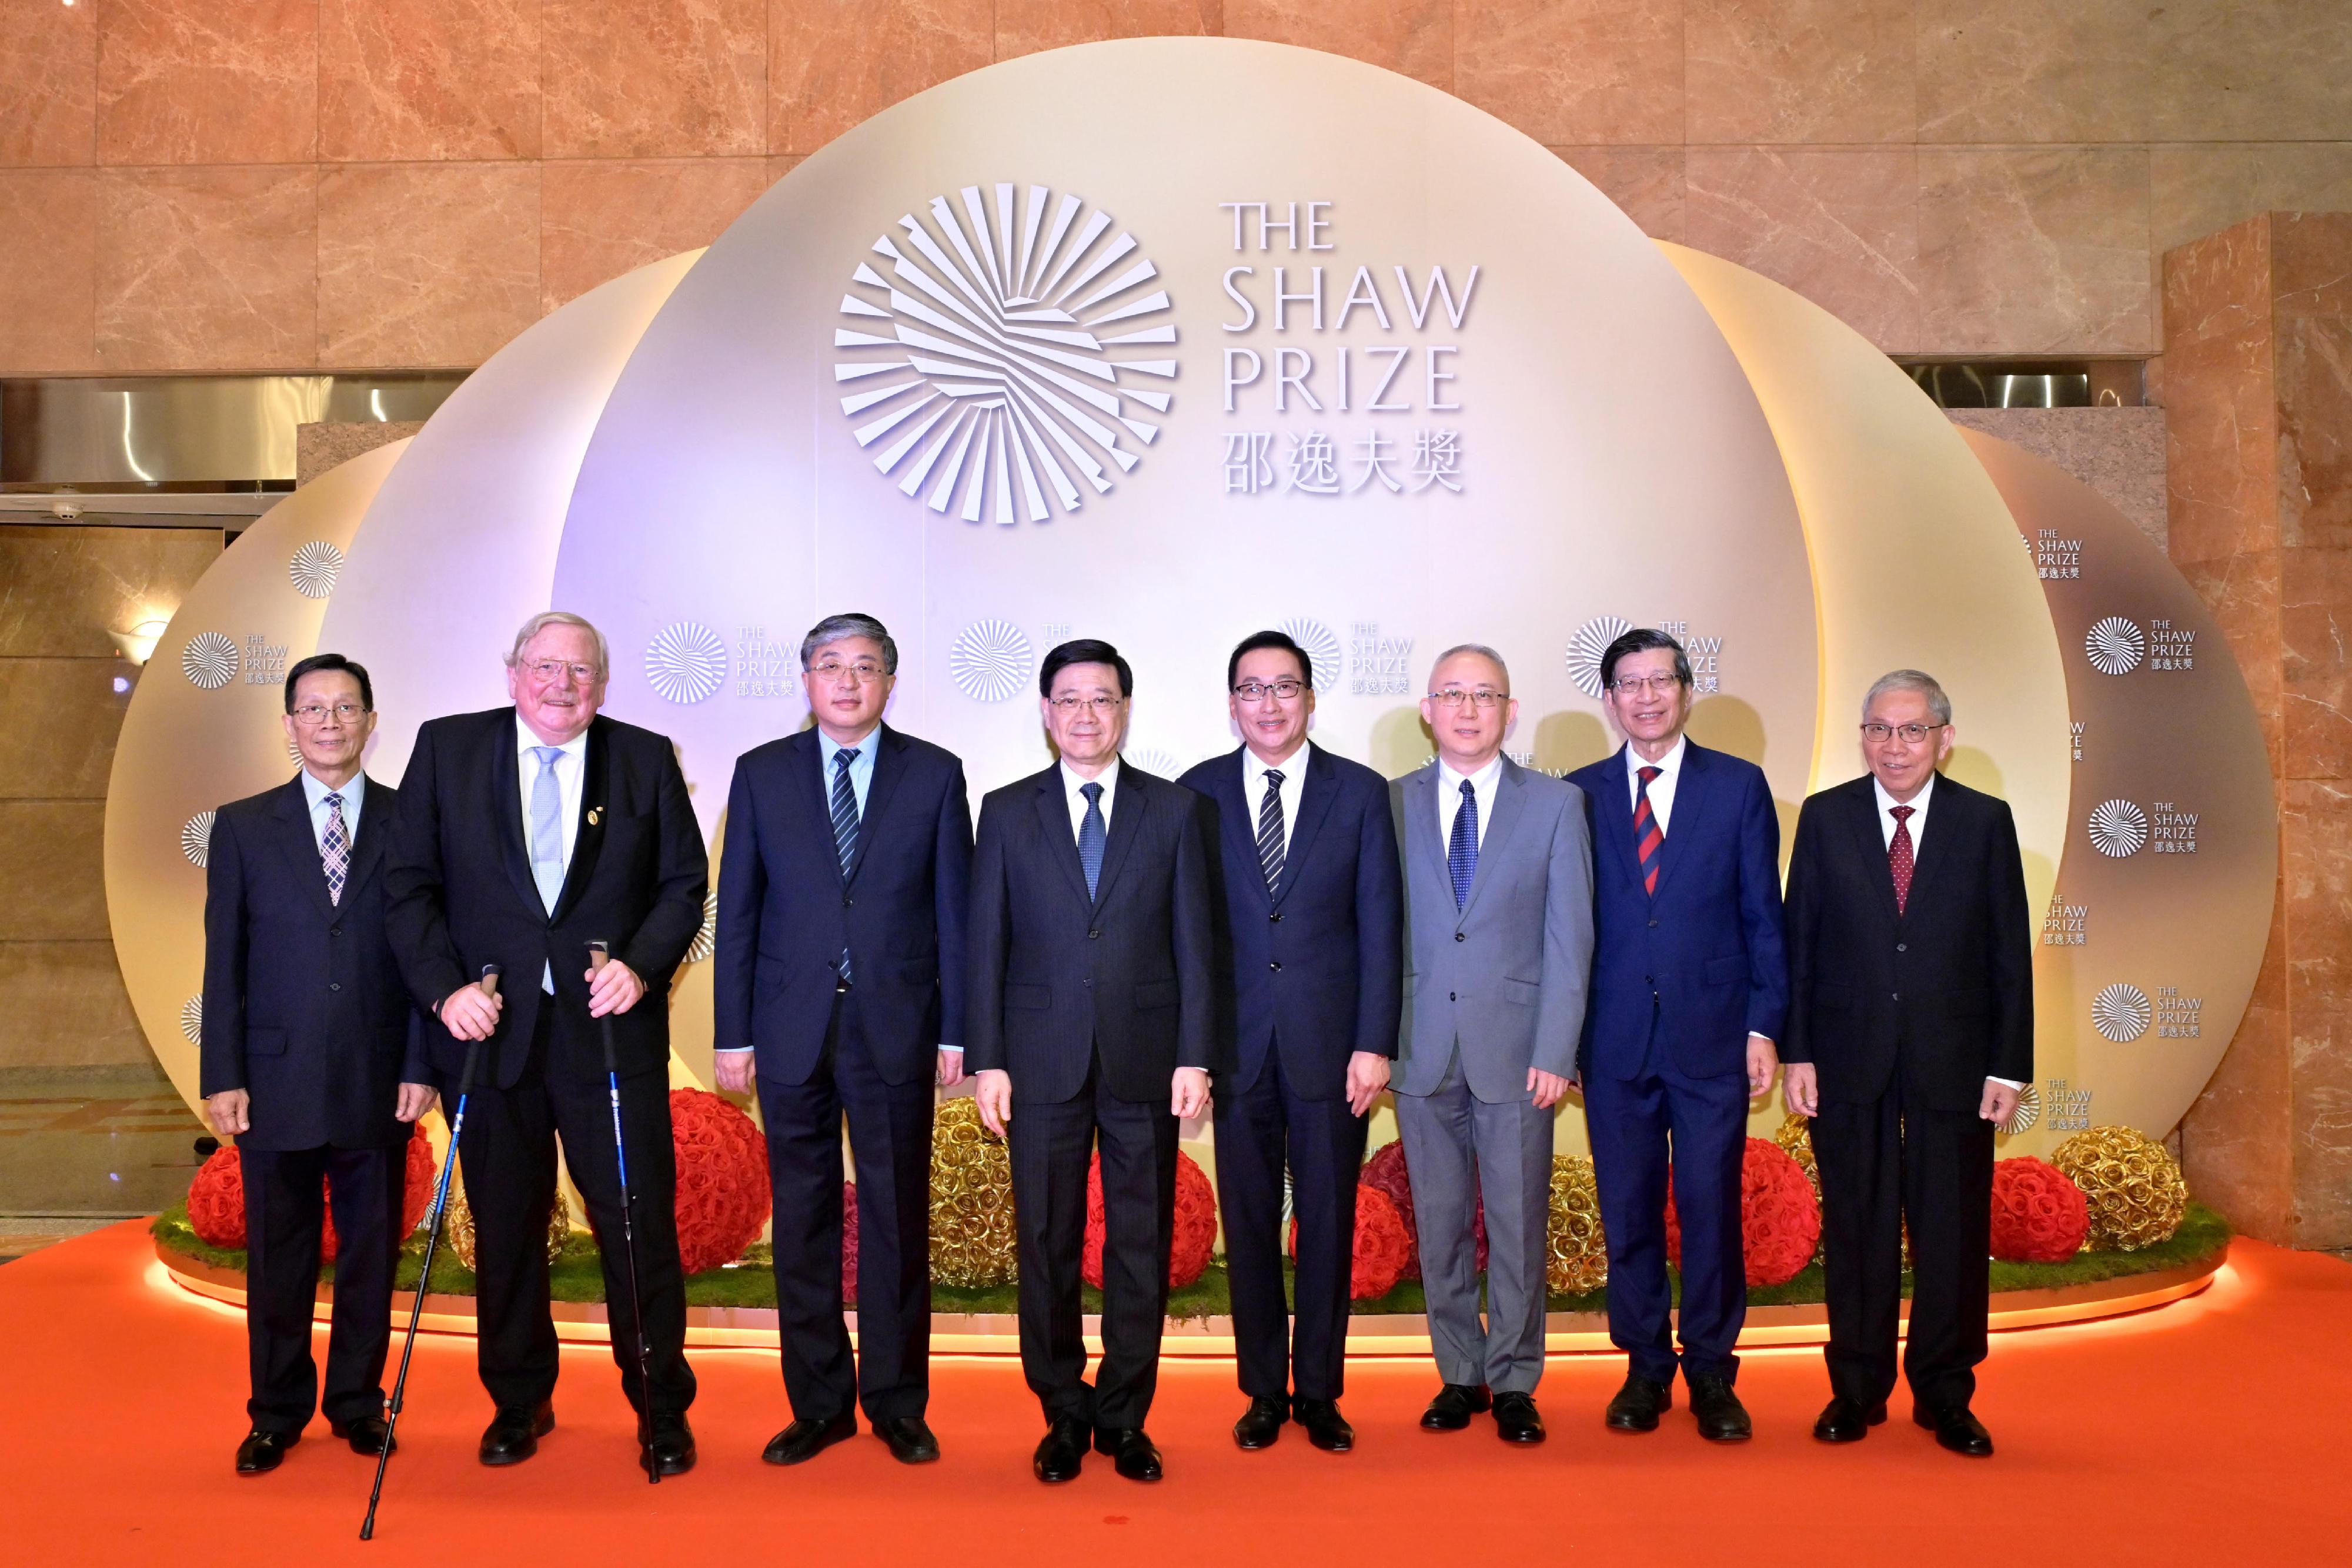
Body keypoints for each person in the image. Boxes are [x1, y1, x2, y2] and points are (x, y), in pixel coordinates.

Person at [383, 611, 709, 1475]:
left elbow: (684, 885)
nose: (561, 685)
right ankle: (519, 1402)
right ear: (512, 672)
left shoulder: (645, 757)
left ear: (602, 684)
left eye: (580, 671)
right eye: (544, 667)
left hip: (608, 1038)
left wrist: (640, 968)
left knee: (636, 1225)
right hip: (489, 1034)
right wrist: (445, 991)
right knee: (507, 1226)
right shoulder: (448, 750)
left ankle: (660, 1408)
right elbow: (407, 887)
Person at [712, 613, 972, 1468]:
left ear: (890, 681)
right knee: (806, 1219)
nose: (848, 682)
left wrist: (958, 1028)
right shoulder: (761, 775)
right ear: (807, 679)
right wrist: (732, 1033)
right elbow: (739, 912)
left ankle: (898, 1401)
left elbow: (954, 917)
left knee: (897, 1217)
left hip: (897, 1026)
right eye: (832, 666)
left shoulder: (935, 775)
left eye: (866, 667)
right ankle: (818, 1403)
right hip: (789, 1030)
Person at [965, 639, 1215, 1485]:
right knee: (1046, 1241)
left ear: (1126, 711)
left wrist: (1195, 1055)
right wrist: (987, 1059)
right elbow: (985, 943)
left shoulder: (1174, 811)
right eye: (1068, 700)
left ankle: (1125, 1416)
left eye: (1102, 700)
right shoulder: (1005, 811)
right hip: (1036, 1062)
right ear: (1045, 712)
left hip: (1146, 1059)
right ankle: (1063, 1412)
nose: (1085, 715)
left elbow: (1196, 943)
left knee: (1139, 1242)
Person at [1782, 670, 2030, 1458]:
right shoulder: (1826, 819)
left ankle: (1947, 1395)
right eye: (1881, 730)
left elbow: (2008, 956)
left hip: (1954, 1063)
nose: (1895, 746)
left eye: (1912, 730)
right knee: (1856, 1228)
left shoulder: (1985, 822)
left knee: (1950, 1231)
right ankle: (1855, 1391)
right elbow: (1801, 949)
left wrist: (2009, 1065)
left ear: (1944, 739)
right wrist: (1798, 1051)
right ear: (1863, 737)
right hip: (1846, 1059)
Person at [201, 654, 436, 1476]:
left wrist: (421, 1061)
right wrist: (222, 1074)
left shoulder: (415, 823)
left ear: (373, 721)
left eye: (346, 708)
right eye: (313, 708)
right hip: (274, 1081)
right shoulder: (242, 825)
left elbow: (424, 957)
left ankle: (358, 1406)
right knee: (281, 1254)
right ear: (290, 724)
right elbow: (222, 960)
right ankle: (275, 1413)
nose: (329, 722)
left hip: (381, 1078)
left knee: (371, 1251)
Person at [1178, 631, 1401, 1455]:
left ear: (1311, 698)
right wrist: (1192, 1051)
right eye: (1251, 689)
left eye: (1285, 688)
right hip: (1235, 1051)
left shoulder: (1361, 793)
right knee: (1248, 1221)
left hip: (1332, 1050)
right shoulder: (1195, 794)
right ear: (1231, 702)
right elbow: (1187, 935)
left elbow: (1383, 927)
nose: (1268, 705)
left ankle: (1319, 1392)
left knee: (1328, 1222)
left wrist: (1375, 1042)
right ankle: (1262, 1391)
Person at [1565, 629, 1785, 1443]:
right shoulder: (1577, 795)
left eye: (1661, 680)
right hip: (1613, 1041)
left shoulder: (1738, 787)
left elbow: (1766, 915)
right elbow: (1567, 930)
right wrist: (1567, 1039)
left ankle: (1714, 1374)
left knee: (1708, 1208)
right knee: (1627, 1213)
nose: (1647, 697)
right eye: (1630, 683)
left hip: (1712, 1037)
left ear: (1687, 691)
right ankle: (1645, 1368)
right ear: (1610, 698)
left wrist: (1766, 1024)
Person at [1389, 644, 1593, 1444]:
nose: (1468, 709)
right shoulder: (1390, 803)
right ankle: (1459, 1374)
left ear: (1512, 712)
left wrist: (1557, 1047)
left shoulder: (1555, 805)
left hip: (1519, 1052)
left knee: (1515, 1224)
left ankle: (1514, 1379)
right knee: (1439, 1224)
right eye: (1453, 694)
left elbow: (1571, 941)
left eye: (1486, 695)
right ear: (1427, 712)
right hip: (1418, 1046)